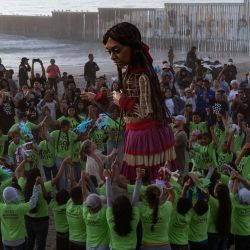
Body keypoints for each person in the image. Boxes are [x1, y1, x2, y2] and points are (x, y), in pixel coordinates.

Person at [82, 22, 175, 181]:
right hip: (136, 132)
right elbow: (125, 96)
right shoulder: (130, 73)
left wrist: (122, 101)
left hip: (145, 136)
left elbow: (146, 111)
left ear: (132, 47)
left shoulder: (142, 76)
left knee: (144, 179)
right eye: (109, 52)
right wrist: (97, 97)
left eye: (116, 50)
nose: (112, 57)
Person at [104, 167, 143, 250]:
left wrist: (107, 179)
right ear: (130, 207)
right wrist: (139, 179)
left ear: (114, 208)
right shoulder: (134, 218)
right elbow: (135, 198)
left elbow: (109, 198)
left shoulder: (111, 218)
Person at [0, 178, 39, 250]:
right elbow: (33, 202)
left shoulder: (1, 208)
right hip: (19, 240)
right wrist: (36, 186)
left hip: (5, 239)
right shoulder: (19, 208)